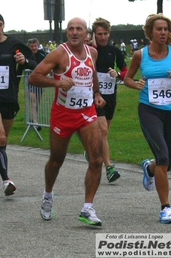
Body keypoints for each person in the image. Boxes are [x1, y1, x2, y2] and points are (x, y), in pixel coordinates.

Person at [28, 17, 106, 226]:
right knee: (56, 160)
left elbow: (93, 74)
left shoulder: (93, 52)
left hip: (87, 112)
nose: (74, 32)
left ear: (86, 34)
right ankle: (47, 195)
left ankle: (87, 208)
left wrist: (96, 93)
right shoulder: (59, 54)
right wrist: (58, 82)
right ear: (66, 33)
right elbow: (34, 77)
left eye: (78, 29)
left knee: (97, 159)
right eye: (70, 29)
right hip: (63, 114)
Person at [124, 13, 171, 224]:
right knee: (163, 156)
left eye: (166, 29)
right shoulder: (140, 54)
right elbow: (127, 77)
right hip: (149, 110)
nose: (163, 33)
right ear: (150, 32)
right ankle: (166, 208)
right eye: (159, 29)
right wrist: (134, 84)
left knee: (167, 162)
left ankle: (149, 168)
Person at [0, 12, 36, 196]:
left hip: (10, 98)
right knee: (1, 137)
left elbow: (38, 63)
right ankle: (6, 180)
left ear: (4, 26)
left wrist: (24, 60)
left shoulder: (14, 44)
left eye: (0, 25)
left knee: (1, 143)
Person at [88, 17, 128, 183]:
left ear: (109, 34)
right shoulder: (89, 51)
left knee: (103, 134)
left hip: (110, 95)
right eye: (99, 34)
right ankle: (109, 168)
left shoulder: (114, 51)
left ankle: (91, 150)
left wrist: (117, 74)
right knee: (103, 130)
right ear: (94, 35)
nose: (102, 37)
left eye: (105, 34)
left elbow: (126, 71)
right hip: (94, 96)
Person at [27, 38, 46, 130]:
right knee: (33, 102)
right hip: (30, 82)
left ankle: (33, 119)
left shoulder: (42, 54)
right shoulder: (26, 55)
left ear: (38, 46)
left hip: (40, 82)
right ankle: (35, 123)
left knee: (37, 103)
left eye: (35, 46)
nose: (34, 48)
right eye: (32, 46)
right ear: (29, 47)